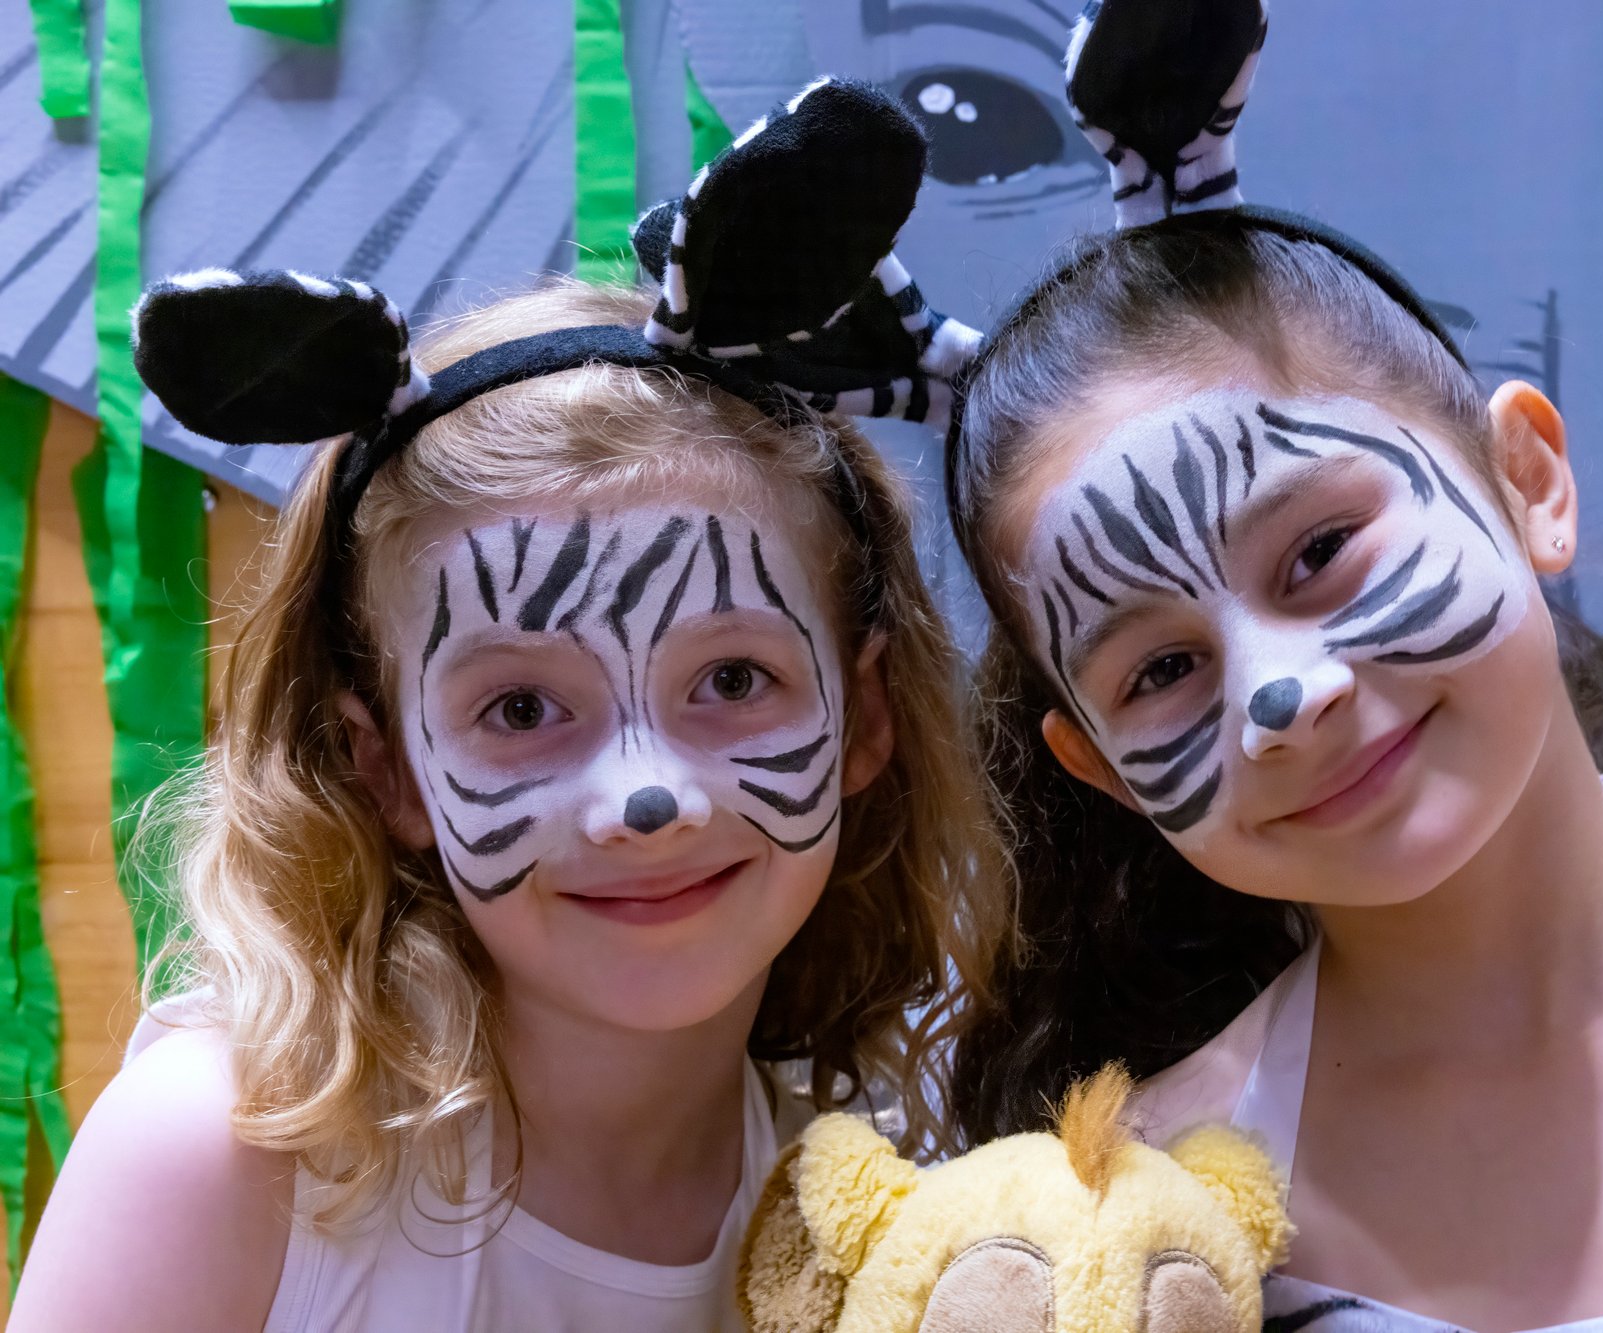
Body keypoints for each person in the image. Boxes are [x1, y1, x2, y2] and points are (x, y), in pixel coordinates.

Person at [13, 78, 1005, 1333]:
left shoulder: (882, 1206)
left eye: (732, 680)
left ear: (865, 720)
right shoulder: (236, 1158)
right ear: (389, 774)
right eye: (523, 708)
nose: (647, 794)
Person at [941, 200, 1603, 1333]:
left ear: (1526, 479)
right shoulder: (1132, 1217)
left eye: (1318, 552)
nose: (1277, 698)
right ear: (1100, 770)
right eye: (1160, 671)